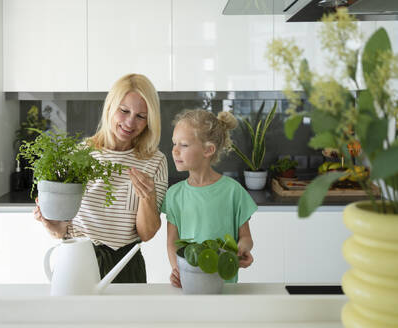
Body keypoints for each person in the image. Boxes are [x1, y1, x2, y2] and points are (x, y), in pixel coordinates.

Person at [33, 73, 168, 283]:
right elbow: (63, 229)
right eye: (124, 111)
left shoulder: (155, 161)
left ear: (149, 120)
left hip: (126, 264)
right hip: (79, 259)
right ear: (110, 107)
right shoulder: (80, 154)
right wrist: (54, 227)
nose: (130, 122)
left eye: (141, 116)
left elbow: (147, 233)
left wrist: (147, 197)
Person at [161, 109, 257, 288]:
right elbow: (172, 243)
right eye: (174, 143)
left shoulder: (232, 191)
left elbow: (246, 237)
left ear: (208, 150)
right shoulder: (174, 195)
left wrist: (242, 249)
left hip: (225, 284)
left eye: (184, 145)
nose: (174, 151)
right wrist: (177, 270)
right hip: (190, 283)